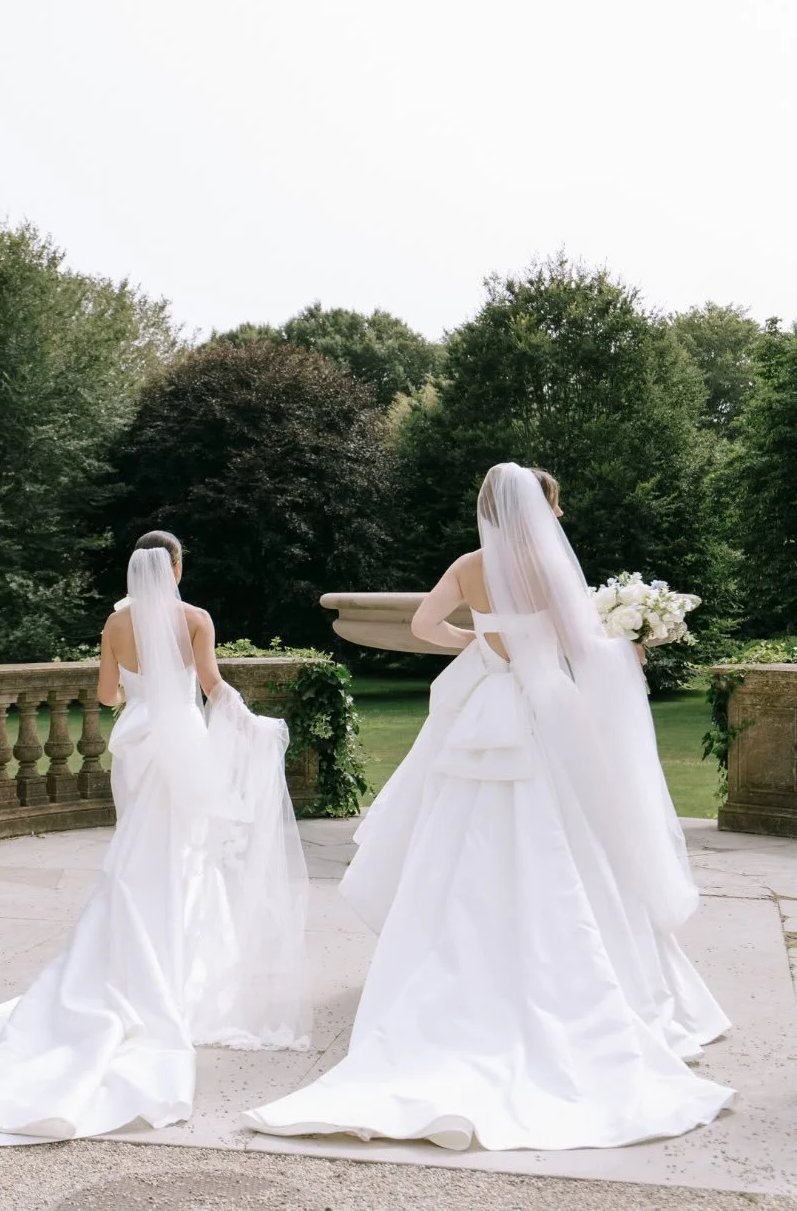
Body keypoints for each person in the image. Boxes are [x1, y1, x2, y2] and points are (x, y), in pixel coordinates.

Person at [245, 462, 734, 1151]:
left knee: (458, 836)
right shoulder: (547, 568)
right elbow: (579, 646)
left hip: (483, 706)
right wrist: (628, 645)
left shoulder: (471, 565)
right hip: (544, 713)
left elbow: (422, 622)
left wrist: (475, 639)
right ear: (536, 509)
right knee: (573, 838)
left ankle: (451, 976)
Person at [0, 531, 310, 1144]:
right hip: (182, 748)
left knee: (135, 848)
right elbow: (211, 685)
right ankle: (175, 976)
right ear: (175, 565)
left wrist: (140, 691)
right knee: (184, 857)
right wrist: (252, 723)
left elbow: (107, 694)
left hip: (137, 744)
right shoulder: (195, 619)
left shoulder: (115, 624)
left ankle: (123, 959)